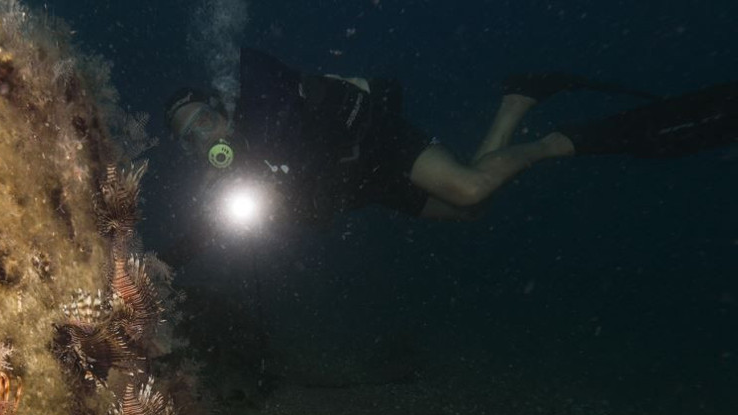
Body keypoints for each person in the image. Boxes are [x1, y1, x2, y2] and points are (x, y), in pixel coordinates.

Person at [164, 48, 738, 228]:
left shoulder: (266, 114)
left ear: (221, 108)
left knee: (469, 187)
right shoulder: (226, 179)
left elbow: (300, 98)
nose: (203, 136)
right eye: (190, 137)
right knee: (471, 209)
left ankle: (557, 141)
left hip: (378, 142)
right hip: (365, 185)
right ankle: (518, 100)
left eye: (205, 119)